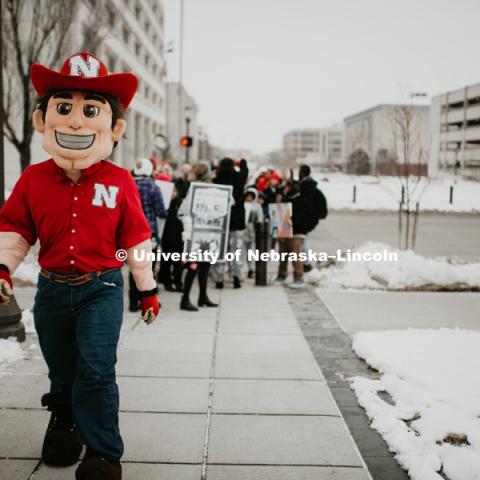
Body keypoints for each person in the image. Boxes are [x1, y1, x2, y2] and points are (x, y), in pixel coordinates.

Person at [0, 52, 160, 480]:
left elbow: (134, 240)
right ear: (43, 120)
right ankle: (65, 423)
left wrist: (146, 289)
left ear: (113, 127)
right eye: (64, 108)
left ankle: (104, 452)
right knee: (62, 369)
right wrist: (3, 267)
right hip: (52, 290)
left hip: (102, 287)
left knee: (95, 367)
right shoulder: (32, 180)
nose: (75, 122)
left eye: (90, 110)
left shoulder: (119, 181)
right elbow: (15, 228)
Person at [178, 162, 218, 310]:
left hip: (207, 232)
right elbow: (184, 211)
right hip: (196, 233)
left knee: (205, 265)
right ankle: (185, 299)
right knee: (193, 267)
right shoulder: (195, 189)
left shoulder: (212, 188)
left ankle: (202, 296)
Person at [129, 158, 166, 311]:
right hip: (149, 233)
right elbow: (161, 212)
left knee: (133, 266)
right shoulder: (153, 187)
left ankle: (132, 301)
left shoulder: (129, 184)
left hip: (131, 232)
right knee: (148, 267)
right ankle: (146, 299)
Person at [211, 157, 248, 289]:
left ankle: (218, 278)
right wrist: (242, 160)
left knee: (219, 250)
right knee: (236, 250)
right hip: (237, 220)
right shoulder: (239, 178)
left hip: (220, 220)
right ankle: (236, 277)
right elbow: (245, 170)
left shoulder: (216, 180)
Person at [274, 181, 316, 288]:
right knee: (283, 254)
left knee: (296, 255)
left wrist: (304, 228)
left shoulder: (303, 201)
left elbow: (311, 218)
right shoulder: (285, 201)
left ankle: (298, 277)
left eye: (287, 187)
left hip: (298, 233)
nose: (285, 189)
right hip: (285, 231)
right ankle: (281, 275)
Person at [298, 164, 328, 272]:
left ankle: (305, 263)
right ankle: (305, 263)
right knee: (302, 240)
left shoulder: (305, 186)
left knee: (302, 240)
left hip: (305, 218)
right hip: (307, 218)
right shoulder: (309, 186)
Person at [243, 188, 264, 278]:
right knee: (241, 251)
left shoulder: (257, 206)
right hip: (242, 230)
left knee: (251, 252)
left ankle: (251, 269)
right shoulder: (242, 204)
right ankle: (241, 269)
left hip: (252, 230)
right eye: (248, 196)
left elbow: (260, 218)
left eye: (251, 196)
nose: (249, 198)